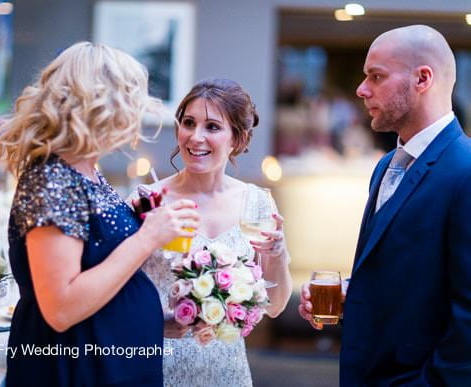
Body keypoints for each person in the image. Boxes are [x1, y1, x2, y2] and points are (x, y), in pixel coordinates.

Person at [0, 42, 200, 387]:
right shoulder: (51, 178)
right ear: (102, 106)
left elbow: (99, 267)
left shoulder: (87, 170)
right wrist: (148, 238)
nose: (136, 116)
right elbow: (60, 309)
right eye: (131, 103)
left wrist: (155, 320)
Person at [298, 25, 471, 385]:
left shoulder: (465, 170)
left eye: (376, 77)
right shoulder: (386, 165)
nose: (361, 90)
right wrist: (351, 295)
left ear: (422, 79)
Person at [129, 78, 293, 387]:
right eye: (188, 123)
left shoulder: (257, 202)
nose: (195, 137)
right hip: (155, 368)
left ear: (238, 139)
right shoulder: (146, 201)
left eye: (213, 127)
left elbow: (274, 306)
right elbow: (115, 295)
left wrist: (278, 254)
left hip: (227, 373)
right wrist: (154, 323)